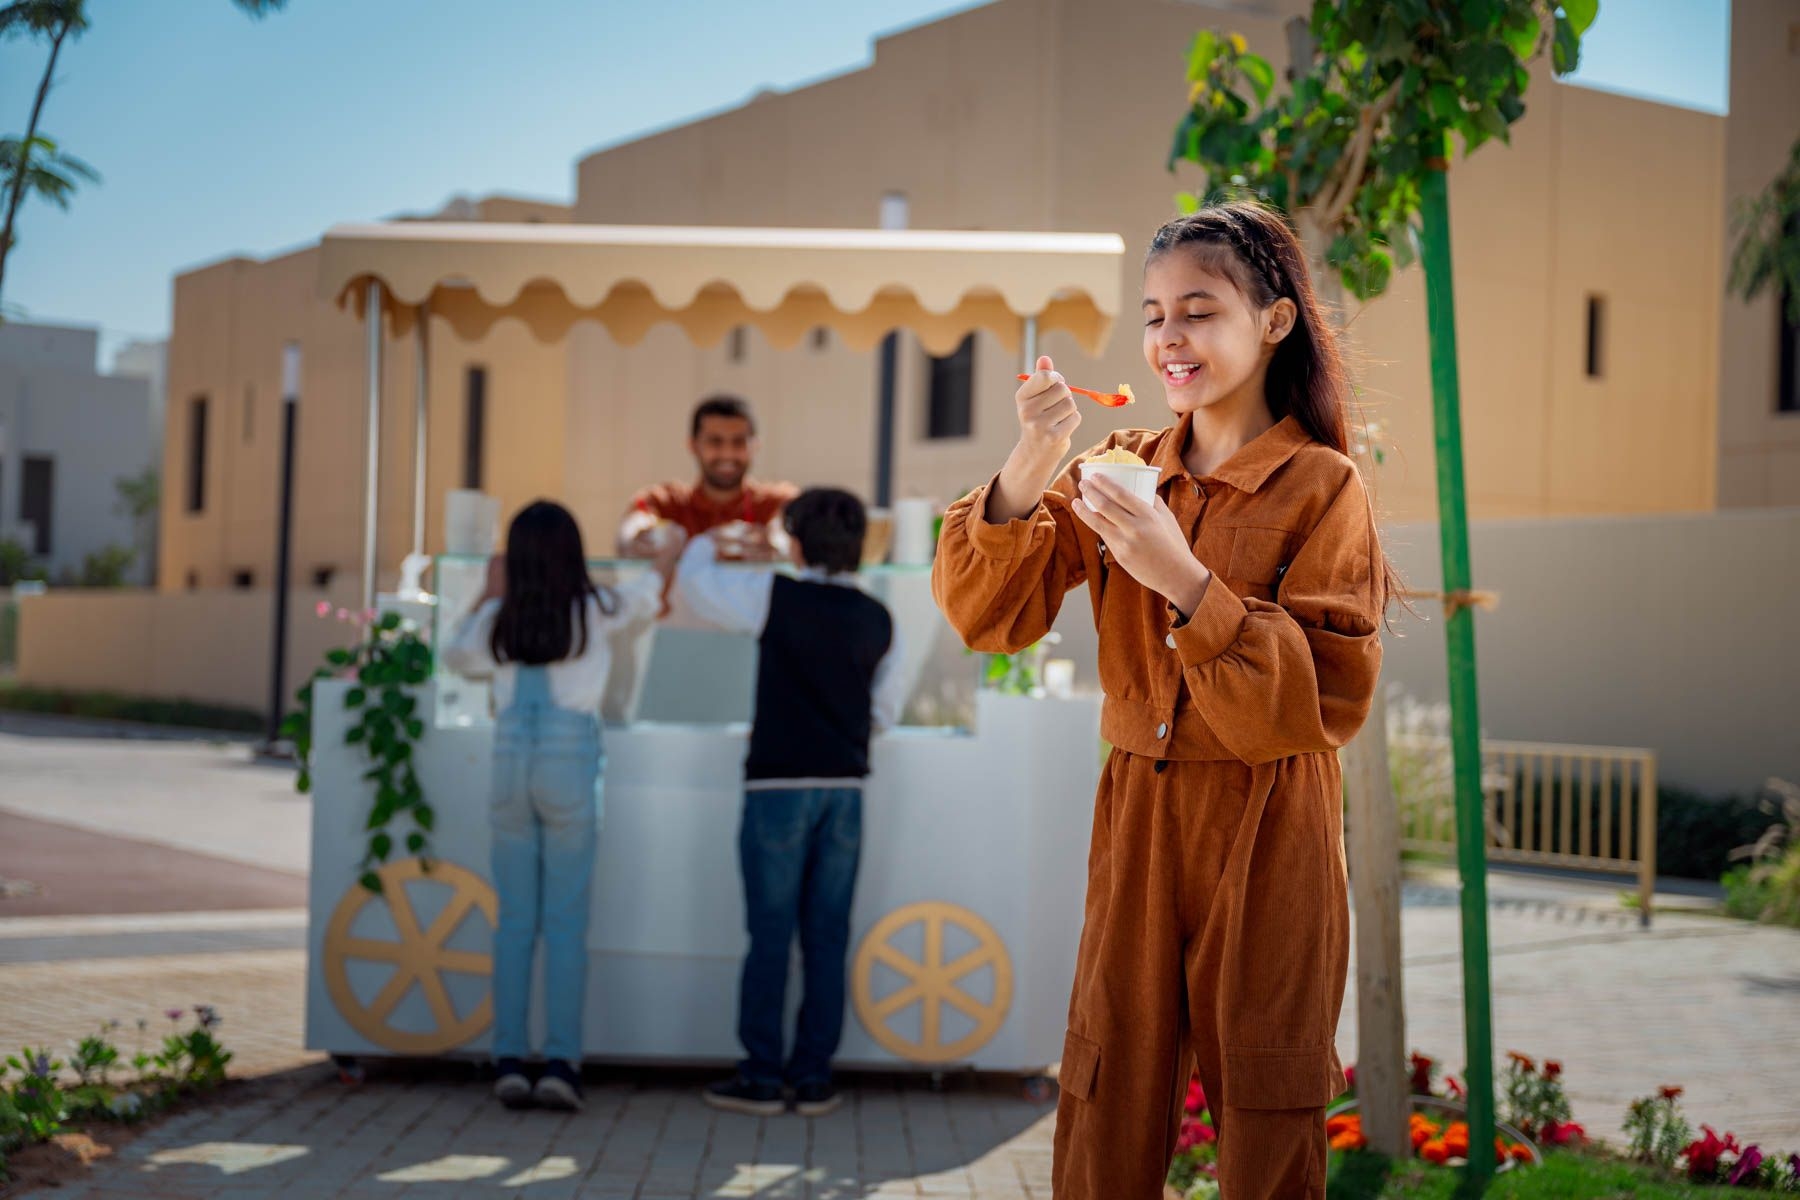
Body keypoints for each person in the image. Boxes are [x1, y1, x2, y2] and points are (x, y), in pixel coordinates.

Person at [931, 201, 1396, 1198]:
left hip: (1270, 822)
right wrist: (1031, 460)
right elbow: (986, 612)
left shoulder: (1323, 486)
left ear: (1273, 322)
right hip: (1138, 809)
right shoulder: (1120, 469)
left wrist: (1183, 579)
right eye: (1151, 315)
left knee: (1270, 1098)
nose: (1168, 338)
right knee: (1108, 1086)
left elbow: (1327, 700)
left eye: (1198, 309)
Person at [441, 500, 679, 1111]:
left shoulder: (498, 617)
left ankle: (509, 1060)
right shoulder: (594, 608)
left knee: (515, 921)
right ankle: (561, 1065)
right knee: (567, 924)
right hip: (569, 766)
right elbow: (649, 591)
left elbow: (454, 655)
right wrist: (669, 552)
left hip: (509, 767)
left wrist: (485, 591)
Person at [676, 488, 907, 1118]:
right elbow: (883, 713)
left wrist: (712, 538)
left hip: (776, 786)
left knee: (771, 936)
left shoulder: (770, 594)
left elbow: (695, 585)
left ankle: (759, 1077)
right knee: (827, 937)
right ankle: (812, 1080)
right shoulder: (880, 618)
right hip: (845, 791)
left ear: (795, 542)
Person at [617, 395, 798, 562]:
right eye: (715, 441)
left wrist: (777, 543)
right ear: (693, 445)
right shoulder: (665, 501)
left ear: (755, 446)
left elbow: (786, 529)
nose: (727, 453)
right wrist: (637, 540)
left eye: (738, 442)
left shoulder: (778, 501)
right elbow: (632, 530)